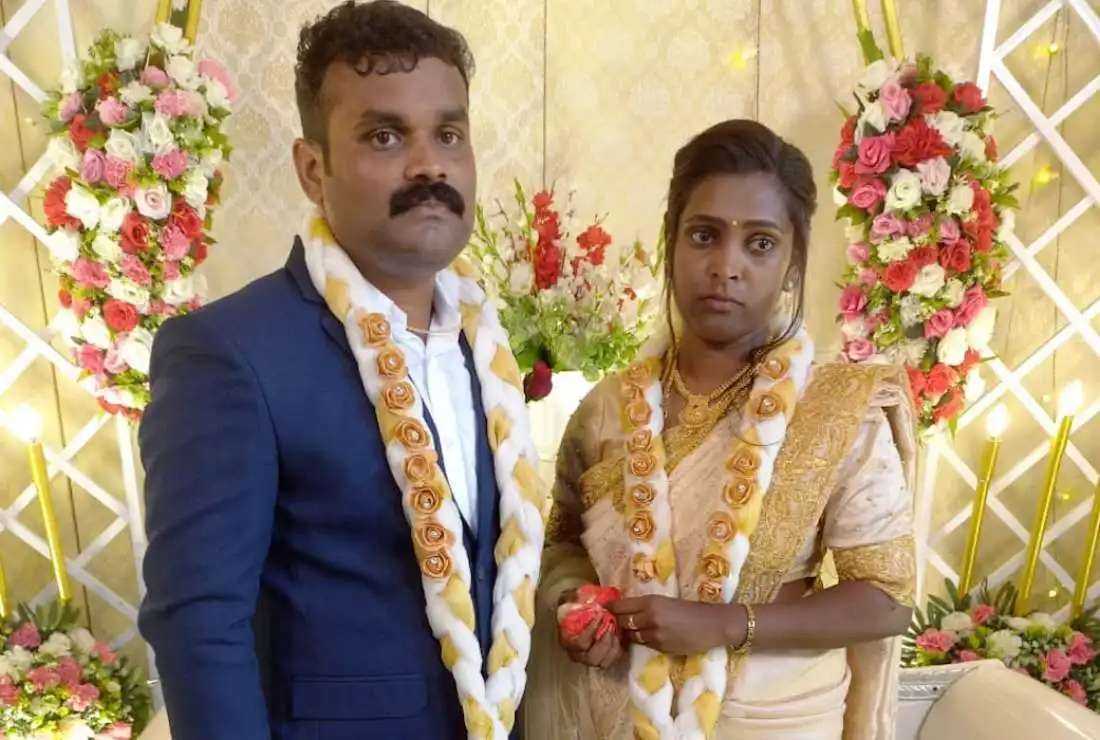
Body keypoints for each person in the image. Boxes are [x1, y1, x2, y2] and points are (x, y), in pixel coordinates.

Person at [138, 3, 545, 738]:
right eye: (385, 136)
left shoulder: (484, 343)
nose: (429, 164)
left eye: (448, 134)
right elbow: (200, 624)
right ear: (312, 168)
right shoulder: (230, 354)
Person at [526, 119, 917, 739]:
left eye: (759, 243)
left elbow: (888, 598)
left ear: (793, 264)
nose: (725, 266)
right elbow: (562, 545)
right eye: (704, 235)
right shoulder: (603, 410)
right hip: (621, 712)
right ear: (671, 244)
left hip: (773, 720)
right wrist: (578, 608)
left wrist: (728, 624)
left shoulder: (838, 409)